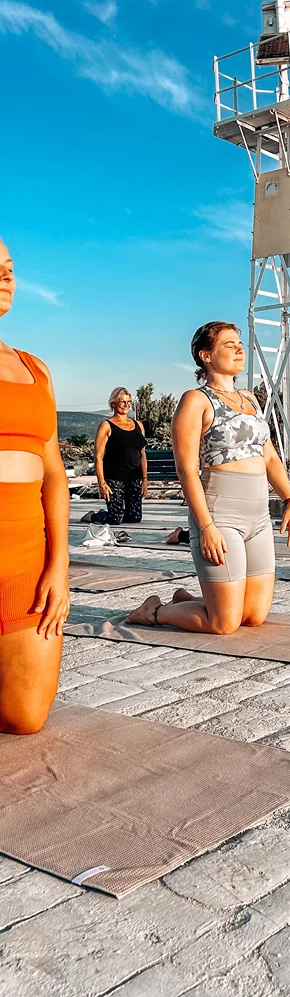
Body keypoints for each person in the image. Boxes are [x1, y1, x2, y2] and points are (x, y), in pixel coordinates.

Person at [126, 320, 290, 634]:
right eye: (229, 345)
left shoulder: (250, 399)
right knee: (223, 624)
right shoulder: (196, 401)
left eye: (240, 345)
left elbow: (270, 455)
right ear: (205, 355)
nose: (239, 350)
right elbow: (186, 469)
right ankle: (155, 611)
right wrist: (206, 527)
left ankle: (191, 600)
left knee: (254, 616)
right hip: (221, 515)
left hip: (259, 516)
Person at [0, 239, 69, 733]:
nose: (6, 277)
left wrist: (59, 565)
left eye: (9, 268)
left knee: (25, 717)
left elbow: (54, 474)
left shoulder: (35, 368)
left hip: (26, 555)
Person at [88, 388, 147, 525]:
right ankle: (92, 516)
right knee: (115, 519)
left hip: (134, 478)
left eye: (129, 402)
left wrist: (144, 479)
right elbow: (98, 456)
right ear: (113, 404)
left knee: (134, 518)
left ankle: (114, 511)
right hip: (114, 478)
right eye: (122, 402)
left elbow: (142, 454)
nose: (126, 405)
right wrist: (102, 482)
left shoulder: (138, 425)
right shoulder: (106, 425)